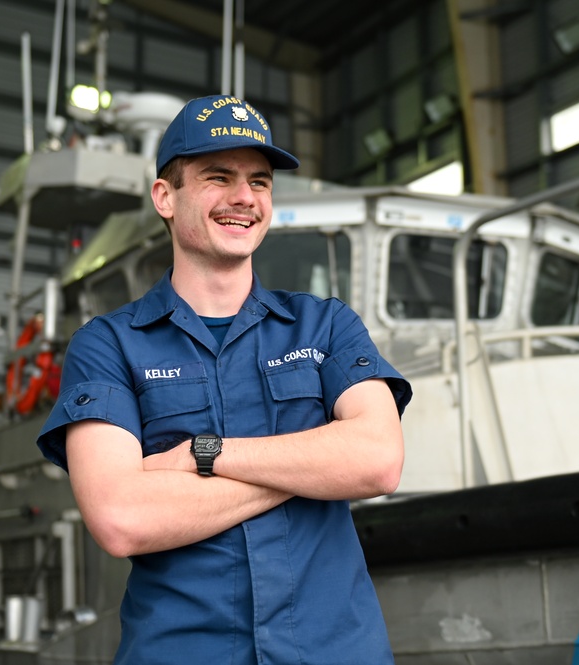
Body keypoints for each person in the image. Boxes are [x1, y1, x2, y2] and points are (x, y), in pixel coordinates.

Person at [37, 94, 412, 665]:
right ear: (165, 196)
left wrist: (200, 454)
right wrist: (317, 467)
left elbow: (378, 461)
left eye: (259, 182)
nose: (244, 198)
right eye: (218, 177)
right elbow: (120, 518)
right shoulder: (108, 345)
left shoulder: (327, 325)